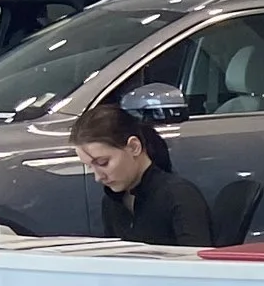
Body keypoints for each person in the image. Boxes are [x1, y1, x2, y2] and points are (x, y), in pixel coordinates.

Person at [74, 93, 212, 245]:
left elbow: (197, 263)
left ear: (134, 147)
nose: (98, 177)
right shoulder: (111, 202)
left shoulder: (180, 196)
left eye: (103, 163)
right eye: (90, 167)